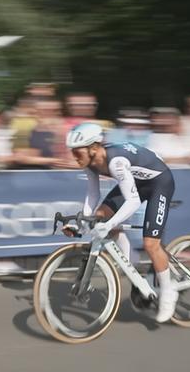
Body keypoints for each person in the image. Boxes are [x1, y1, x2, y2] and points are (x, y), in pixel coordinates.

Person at [63, 122, 179, 323]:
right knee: (101, 216)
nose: (74, 157)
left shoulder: (115, 161)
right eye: (72, 152)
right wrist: (83, 223)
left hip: (159, 182)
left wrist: (108, 225)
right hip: (137, 181)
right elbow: (93, 194)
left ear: (93, 148)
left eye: (77, 152)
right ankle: (131, 262)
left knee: (151, 244)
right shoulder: (90, 162)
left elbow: (132, 201)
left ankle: (169, 293)